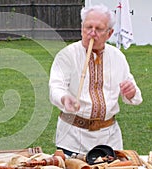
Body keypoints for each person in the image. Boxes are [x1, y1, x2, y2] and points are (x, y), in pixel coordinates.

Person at [48, 4, 142, 156]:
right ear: (81, 28)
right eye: (88, 27)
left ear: (109, 33)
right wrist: (64, 98)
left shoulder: (117, 57)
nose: (92, 33)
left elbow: (133, 94)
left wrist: (131, 93)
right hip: (72, 138)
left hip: (109, 139)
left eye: (98, 29)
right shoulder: (66, 55)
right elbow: (55, 87)